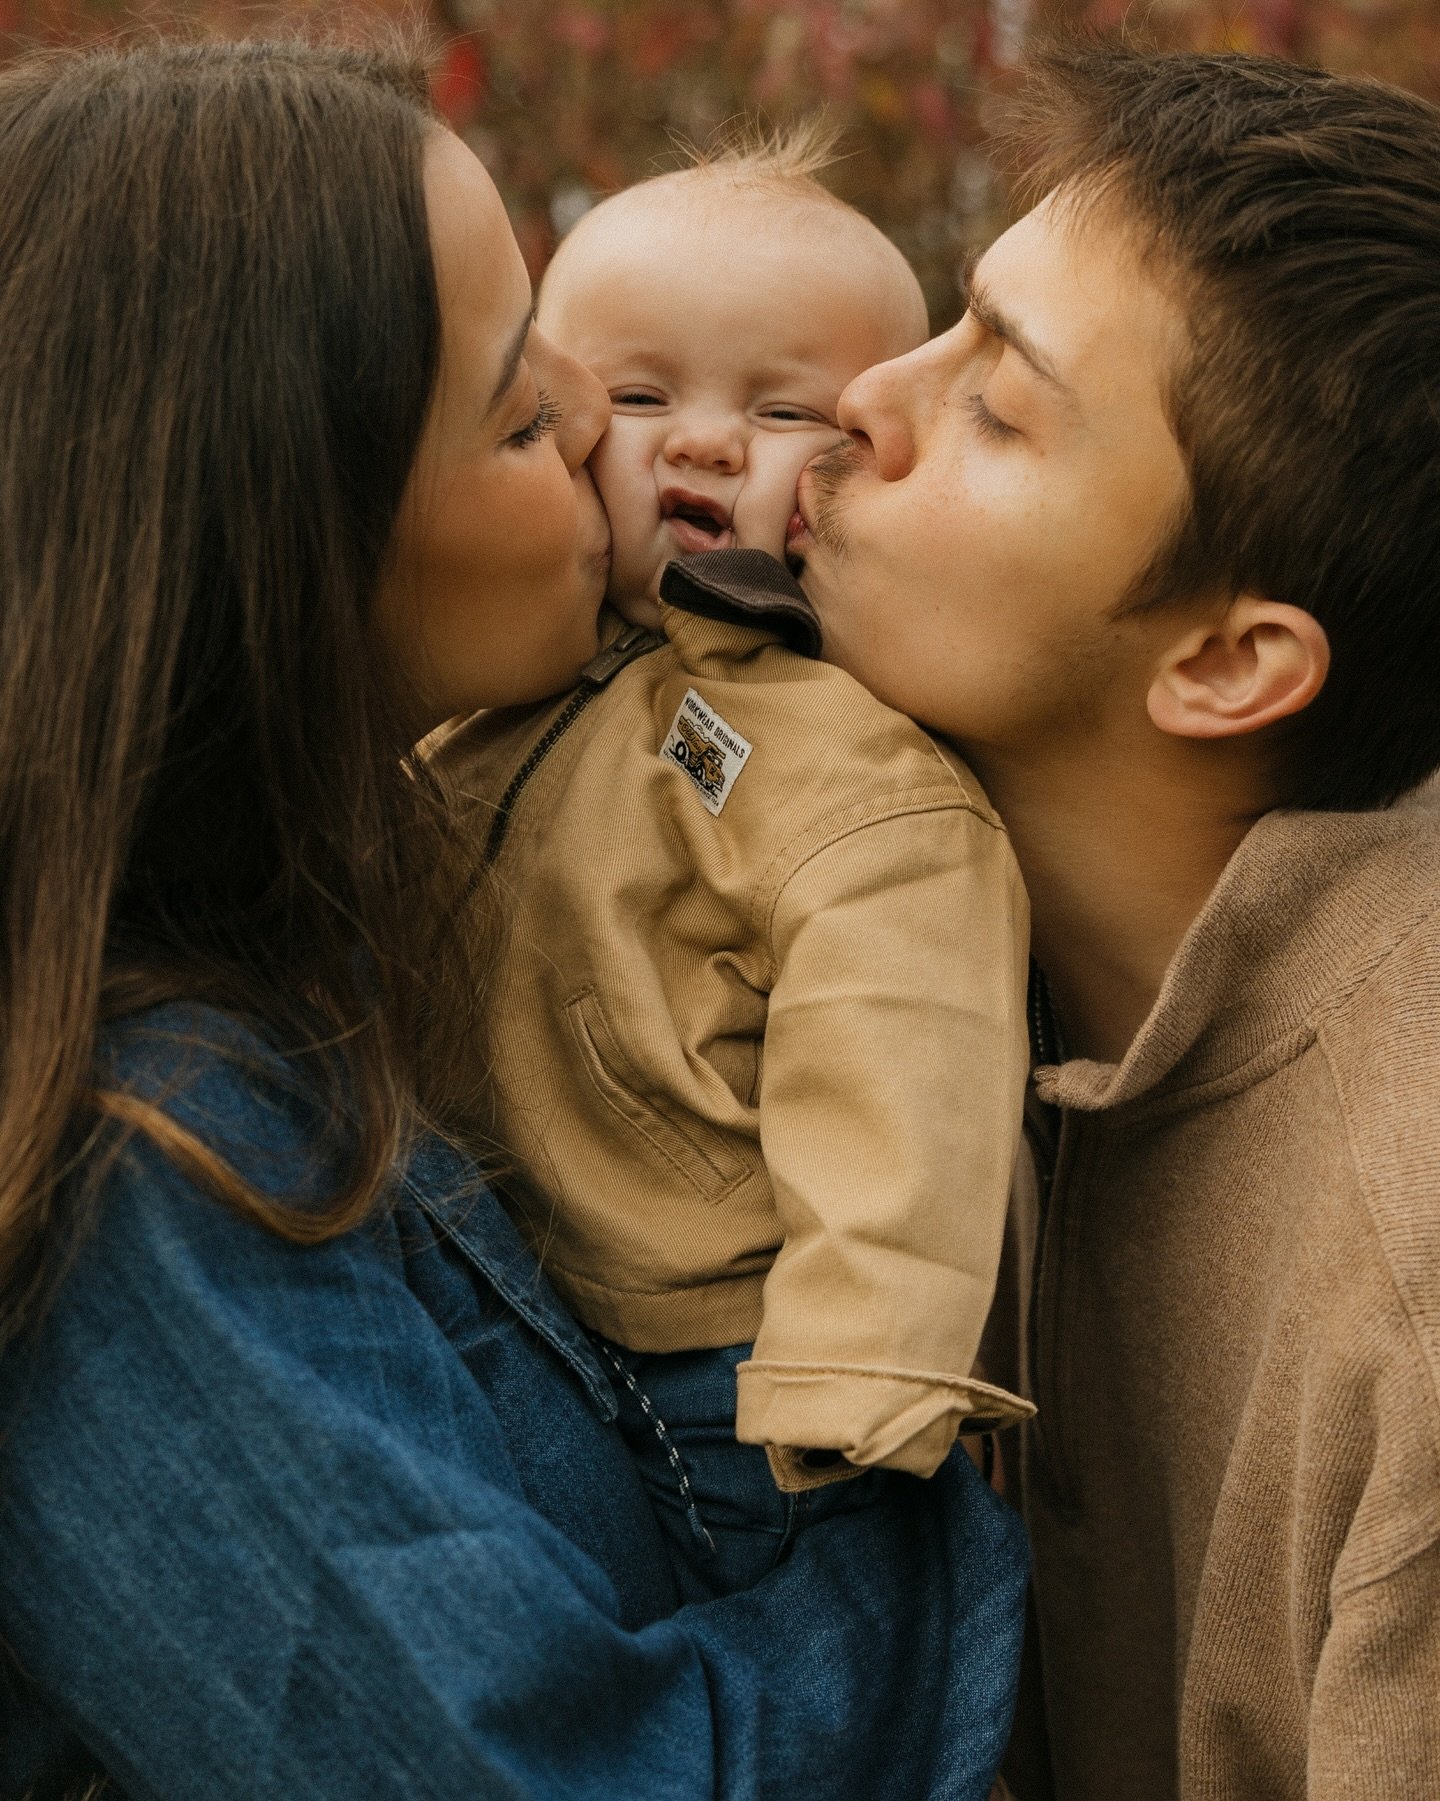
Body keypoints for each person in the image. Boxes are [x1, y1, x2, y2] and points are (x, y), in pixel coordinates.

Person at [0, 36, 1030, 1801]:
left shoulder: (338, 920)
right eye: (516, 404)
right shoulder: (144, 1167)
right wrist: (931, 1559)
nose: (607, 433)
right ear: (295, 538)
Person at [783, 37, 1440, 1801]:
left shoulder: (1415, 1249)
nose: (867, 398)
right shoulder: (891, 933)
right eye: (952, 317)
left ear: (1227, 661)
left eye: (999, 410)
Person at [429, 135, 1032, 1598]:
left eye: (778, 408)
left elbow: (909, 1052)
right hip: (506, 1294)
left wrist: (854, 1377)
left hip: (720, 1377)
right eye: (639, 396)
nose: (700, 443)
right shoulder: (505, 685)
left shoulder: (838, 755)